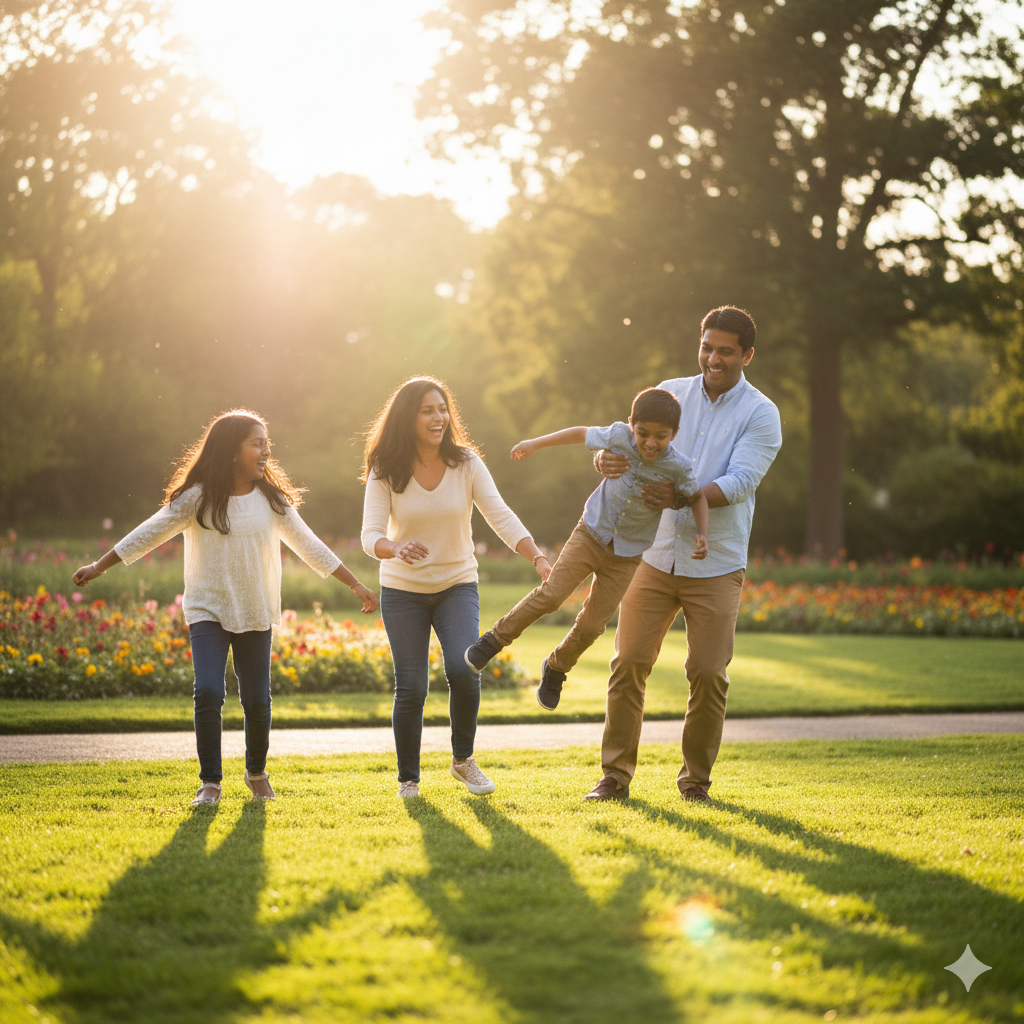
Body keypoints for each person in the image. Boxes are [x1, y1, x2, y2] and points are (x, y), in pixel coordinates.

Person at [72, 409, 378, 807]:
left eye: (267, 442)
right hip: (208, 610)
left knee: (256, 700)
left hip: (255, 610)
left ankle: (256, 772)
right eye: (257, 443)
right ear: (232, 451)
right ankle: (210, 783)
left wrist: (353, 583)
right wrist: (98, 566)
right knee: (209, 691)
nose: (266, 450)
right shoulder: (197, 497)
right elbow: (149, 531)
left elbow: (308, 544)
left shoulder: (272, 501)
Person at [583, 306, 782, 803]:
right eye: (707, 347)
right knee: (628, 661)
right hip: (650, 552)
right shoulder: (670, 393)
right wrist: (604, 459)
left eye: (726, 351)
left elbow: (741, 482)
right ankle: (614, 777)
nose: (713, 358)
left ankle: (695, 783)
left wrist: (681, 497)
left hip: (714, 560)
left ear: (747, 355)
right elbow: (627, 445)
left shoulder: (760, 413)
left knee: (709, 673)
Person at [360, 376, 550, 799]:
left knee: (465, 669)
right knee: (411, 685)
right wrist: (394, 547)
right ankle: (408, 779)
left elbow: (499, 514)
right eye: (427, 410)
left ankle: (463, 761)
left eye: (442, 408)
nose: (438, 417)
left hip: (456, 584)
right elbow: (370, 534)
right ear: (408, 417)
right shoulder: (385, 469)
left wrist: (536, 556)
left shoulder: (466, 464)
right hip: (402, 590)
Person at [465, 387, 709, 713]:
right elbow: (581, 432)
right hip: (591, 534)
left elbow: (697, 497)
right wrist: (536, 443)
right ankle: (493, 640)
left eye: (661, 436)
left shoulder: (678, 466)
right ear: (631, 424)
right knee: (552, 595)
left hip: (627, 555)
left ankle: (556, 667)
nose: (650, 442)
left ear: (674, 434)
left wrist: (702, 534)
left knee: (594, 625)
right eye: (643, 433)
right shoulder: (618, 436)